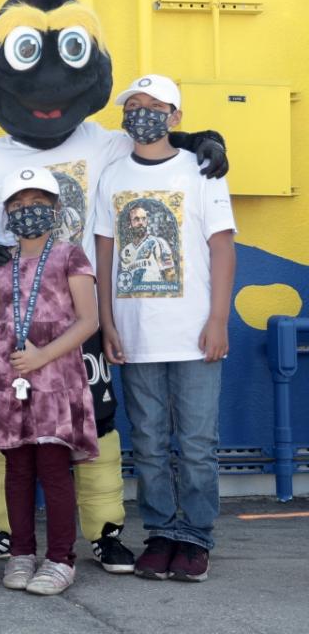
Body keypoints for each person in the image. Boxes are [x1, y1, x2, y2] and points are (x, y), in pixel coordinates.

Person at [0, 0, 228, 573]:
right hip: (16, 323)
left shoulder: (103, 141)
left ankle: (105, 530)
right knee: (6, 419)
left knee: (95, 420)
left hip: (83, 315)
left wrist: (209, 136)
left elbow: (162, 147)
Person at [94, 75, 236, 583]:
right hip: (136, 336)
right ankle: (160, 532)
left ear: (175, 117)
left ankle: (195, 536)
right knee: (149, 442)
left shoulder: (201, 172)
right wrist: (108, 323)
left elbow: (222, 247)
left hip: (195, 333)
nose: (143, 114)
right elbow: (106, 254)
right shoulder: (112, 177)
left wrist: (219, 318)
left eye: (155, 106)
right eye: (134, 106)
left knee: (197, 441)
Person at [0, 167, 100, 597]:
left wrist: (43, 356)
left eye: (39, 204)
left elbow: (89, 320)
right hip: (8, 382)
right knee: (17, 468)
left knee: (53, 467)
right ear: (7, 214)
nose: (28, 212)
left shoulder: (71, 256)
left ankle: (61, 558)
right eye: (19, 205)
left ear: (55, 209)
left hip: (55, 380)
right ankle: (21, 552)